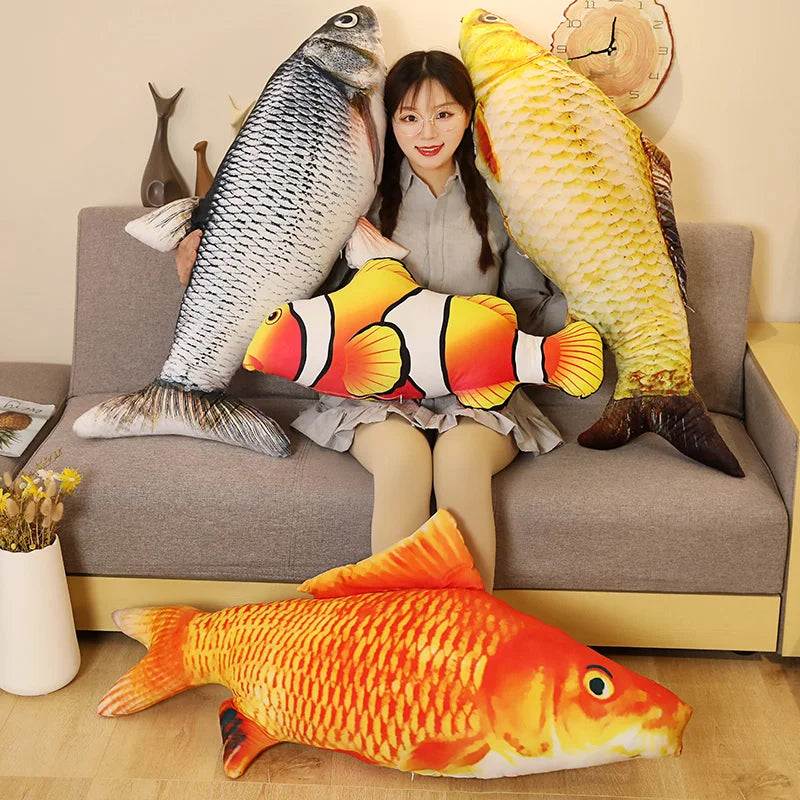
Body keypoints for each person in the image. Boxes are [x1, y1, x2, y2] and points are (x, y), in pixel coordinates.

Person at [176, 51, 566, 591]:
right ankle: (388, 630)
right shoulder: (358, 202)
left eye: (444, 114)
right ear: (390, 121)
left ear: (468, 116)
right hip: (374, 389)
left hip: (478, 386)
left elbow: (525, 304)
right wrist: (206, 260)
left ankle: (470, 631)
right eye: (409, 117)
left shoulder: (502, 204)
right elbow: (306, 291)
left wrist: (595, 311)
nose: (427, 132)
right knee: (404, 461)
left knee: (460, 461)